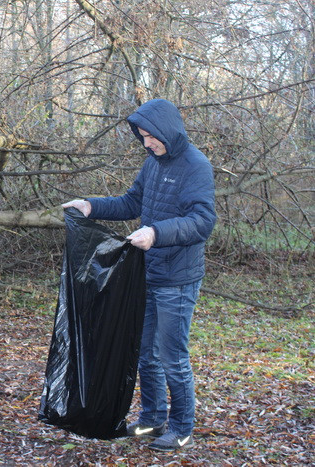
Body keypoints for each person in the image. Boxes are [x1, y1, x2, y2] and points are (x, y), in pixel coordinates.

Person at [63, 99, 216, 452]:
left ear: (167, 130)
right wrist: (91, 205)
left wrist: (156, 233)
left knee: (171, 355)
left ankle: (181, 427)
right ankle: (151, 418)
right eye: (143, 137)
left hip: (178, 278)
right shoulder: (153, 163)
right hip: (148, 274)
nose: (147, 143)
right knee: (145, 352)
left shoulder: (196, 166)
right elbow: (131, 203)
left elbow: (203, 221)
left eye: (151, 136)